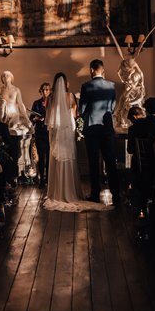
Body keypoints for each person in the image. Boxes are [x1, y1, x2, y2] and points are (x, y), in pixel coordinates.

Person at [42, 73, 110, 213]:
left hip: (57, 131)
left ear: (54, 84)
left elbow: (48, 118)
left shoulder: (51, 97)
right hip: (68, 129)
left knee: (57, 158)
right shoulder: (71, 96)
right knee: (69, 158)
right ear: (66, 83)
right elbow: (74, 115)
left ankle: (57, 193)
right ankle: (71, 191)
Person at [79, 60, 120, 206]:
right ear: (102, 70)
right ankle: (116, 195)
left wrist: (84, 115)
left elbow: (82, 108)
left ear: (91, 70)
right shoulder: (111, 86)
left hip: (91, 128)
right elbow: (113, 107)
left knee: (93, 162)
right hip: (107, 128)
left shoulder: (86, 86)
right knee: (110, 162)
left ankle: (95, 194)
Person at [105, 24, 155, 129]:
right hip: (130, 86)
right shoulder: (124, 64)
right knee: (123, 100)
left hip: (134, 88)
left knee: (125, 100)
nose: (127, 70)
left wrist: (140, 83)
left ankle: (123, 117)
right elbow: (118, 72)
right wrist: (123, 80)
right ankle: (120, 118)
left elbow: (140, 73)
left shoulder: (135, 71)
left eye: (129, 69)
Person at [30, 82, 51, 189]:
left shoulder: (53, 102)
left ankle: (49, 179)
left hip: (50, 132)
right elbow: (31, 118)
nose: (45, 91)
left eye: (47, 89)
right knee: (41, 157)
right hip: (40, 132)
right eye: (43, 90)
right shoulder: (36, 103)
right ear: (41, 91)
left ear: (50, 90)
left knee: (49, 156)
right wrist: (37, 119)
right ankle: (42, 179)